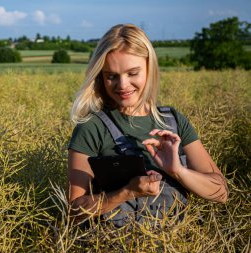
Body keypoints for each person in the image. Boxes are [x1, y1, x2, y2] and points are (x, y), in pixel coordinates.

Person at [67, 24, 228, 227]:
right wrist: (128, 191)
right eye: (112, 76)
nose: (123, 85)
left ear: (149, 69)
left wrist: (178, 170)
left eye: (133, 73)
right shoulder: (91, 128)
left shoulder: (174, 121)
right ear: (100, 76)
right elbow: (74, 211)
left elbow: (221, 193)